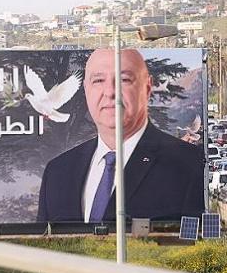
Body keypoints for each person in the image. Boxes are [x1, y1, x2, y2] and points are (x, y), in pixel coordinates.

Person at [37, 48, 204, 223]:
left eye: (124, 80)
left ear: (147, 88)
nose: (110, 92)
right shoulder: (57, 172)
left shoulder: (189, 165)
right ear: (86, 89)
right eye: (98, 80)